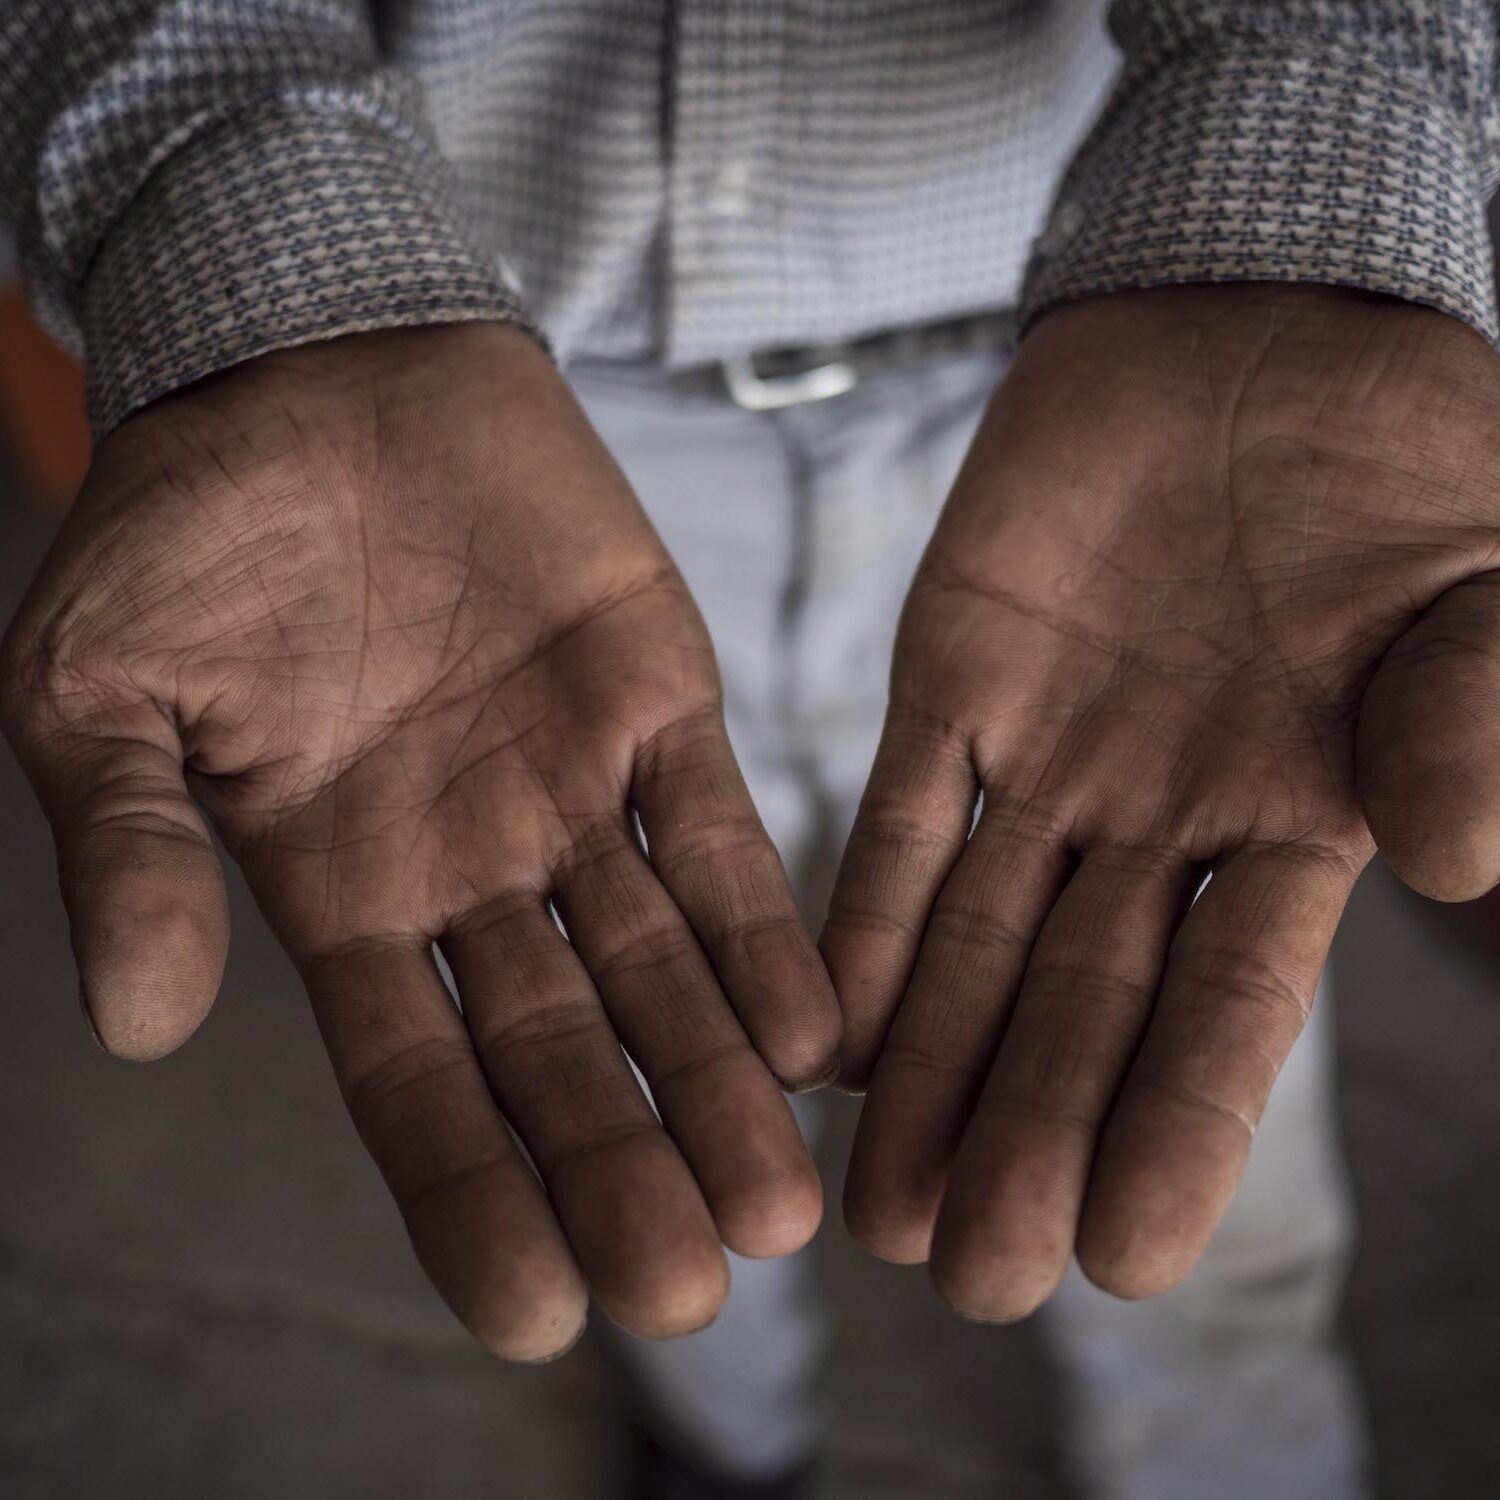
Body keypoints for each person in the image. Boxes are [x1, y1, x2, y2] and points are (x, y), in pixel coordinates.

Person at [3, 3, 1499, 1497]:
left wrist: (1321, 150)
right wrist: (235, 227)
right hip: (477, 439)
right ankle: (728, 1445)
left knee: (1178, 1137)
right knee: (636, 1098)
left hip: (1136, 407)